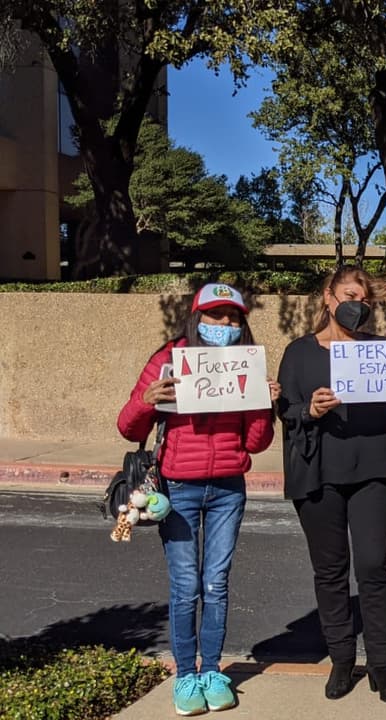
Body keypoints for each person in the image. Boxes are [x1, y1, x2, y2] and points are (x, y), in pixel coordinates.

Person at [117, 283, 276, 716]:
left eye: (232, 318)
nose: (224, 325)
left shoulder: (246, 365)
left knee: (216, 584)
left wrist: (264, 404)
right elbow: (128, 429)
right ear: (196, 317)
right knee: (186, 586)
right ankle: (185, 675)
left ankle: (212, 672)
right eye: (215, 316)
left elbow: (258, 443)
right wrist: (146, 402)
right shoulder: (167, 359)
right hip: (177, 488)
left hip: (228, 489)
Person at [277, 266, 386, 705]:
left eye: (365, 299)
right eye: (348, 295)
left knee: (375, 567)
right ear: (328, 297)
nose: (357, 304)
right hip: (317, 471)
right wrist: (310, 410)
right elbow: (285, 410)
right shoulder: (298, 352)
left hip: (373, 470)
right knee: (330, 571)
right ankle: (341, 659)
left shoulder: (383, 352)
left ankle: (382, 664)